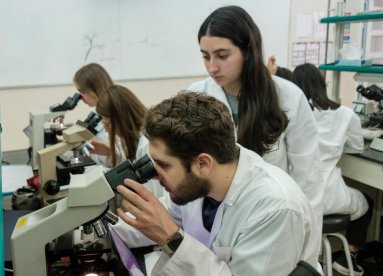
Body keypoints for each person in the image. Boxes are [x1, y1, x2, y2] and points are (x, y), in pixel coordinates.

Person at [114, 92, 321, 275]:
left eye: (163, 165)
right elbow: (156, 219)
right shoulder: (199, 186)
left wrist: (171, 239)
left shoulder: (275, 207)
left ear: (203, 163)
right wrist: (98, 225)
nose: (154, 176)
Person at [187, 5, 324, 239]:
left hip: (271, 216)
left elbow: (308, 176)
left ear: (248, 51)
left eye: (222, 55)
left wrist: (306, 240)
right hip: (212, 217)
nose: (212, 67)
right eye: (205, 56)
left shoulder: (288, 96)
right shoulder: (196, 96)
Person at [292, 63, 373, 276]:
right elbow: (356, 146)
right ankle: (349, 257)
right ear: (322, 84)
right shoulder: (346, 114)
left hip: (295, 198)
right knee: (367, 201)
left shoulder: (290, 115)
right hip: (330, 196)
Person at [92, 84, 165, 198]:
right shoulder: (136, 139)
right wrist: (109, 152)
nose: (107, 129)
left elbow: (157, 195)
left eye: (108, 124)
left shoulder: (146, 143)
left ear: (121, 118)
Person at [73, 63, 114, 165]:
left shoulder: (113, 114)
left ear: (93, 90)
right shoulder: (98, 112)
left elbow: (118, 156)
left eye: (81, 92)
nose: (80, 97)